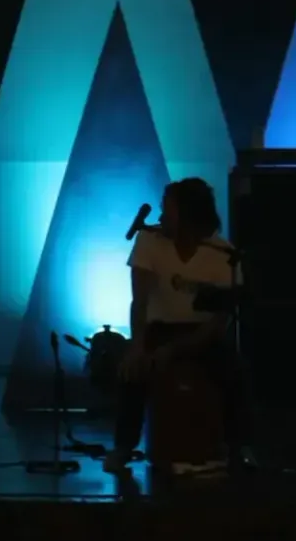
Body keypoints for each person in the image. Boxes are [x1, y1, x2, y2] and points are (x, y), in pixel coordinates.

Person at [105, 177, 252, 474]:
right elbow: (140, 302)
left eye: (167, 210)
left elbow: (217, 322)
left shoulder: (222, 253)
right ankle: (123, 446)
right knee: (133, 371)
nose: (160, 216)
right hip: (159, 328)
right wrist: (139, 345)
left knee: (233, 370)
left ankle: (239, 446)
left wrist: (175, 350)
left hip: (202, 334)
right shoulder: (148, 241)